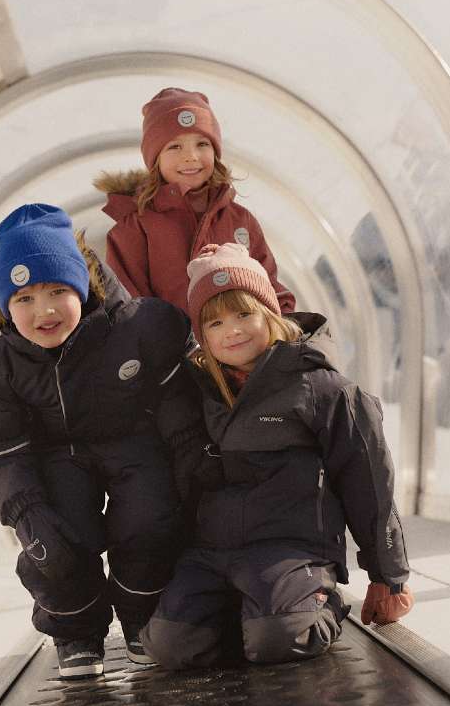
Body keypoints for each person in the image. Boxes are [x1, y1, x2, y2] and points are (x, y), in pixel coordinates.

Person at [142, 243, 413, 669]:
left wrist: (388, 577)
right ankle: (250, 615)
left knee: (281, 639)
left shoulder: (321, 388)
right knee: (170, 646)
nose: (232, 330)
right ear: (202, 335)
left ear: (270, 313)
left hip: (291, 549)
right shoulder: (197, 392)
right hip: (212, 552)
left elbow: (369, 483)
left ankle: (314, 605)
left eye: (244, 314)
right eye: (215, 322)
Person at [0, 204, 205, 679]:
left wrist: (190, 461)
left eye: (58, 291)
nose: (45, 311)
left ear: (85, 286)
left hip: (134, 443)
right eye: (25, 299)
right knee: (54, 542)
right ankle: (76, 630)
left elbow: (180, 394)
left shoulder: (138, 328)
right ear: (4, 307)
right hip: (57, 458)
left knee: (151, 521)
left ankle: (141, 616)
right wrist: (27, 513)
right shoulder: (1, 367)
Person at [93, 87, 296, 315]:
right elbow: (129, 306)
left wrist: (286, 329)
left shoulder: (240, 220)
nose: (191, 156)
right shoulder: (135, 228)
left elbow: (269, 287)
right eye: (174, 146)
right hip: (170, 348)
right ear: (155, 160)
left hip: (242, 345)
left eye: (202, 144)